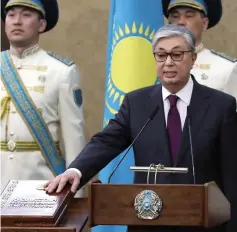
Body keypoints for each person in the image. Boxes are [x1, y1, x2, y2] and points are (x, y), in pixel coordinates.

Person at [45, 25, 237, 232]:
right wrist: (77, 170)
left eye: (177, 54)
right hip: (148, 222)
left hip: (203, 225)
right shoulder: (136, 103)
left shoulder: (221, 106)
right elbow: (106, 141)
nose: (168, 62)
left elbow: (232, 174)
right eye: (161, 55)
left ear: (193, 59)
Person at [0, 0, 86, 195]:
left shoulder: (62, 71)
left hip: (41, 187)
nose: (17, 21)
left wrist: (75, 198)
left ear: (42, 24)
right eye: (11, 15)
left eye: (26, 15)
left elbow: (74, 141)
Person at [162, 0, 237, 101]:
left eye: (189, 16)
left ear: (205, 23)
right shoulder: (154, 64)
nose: (180, 22)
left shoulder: (226, 68)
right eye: (175, 16)